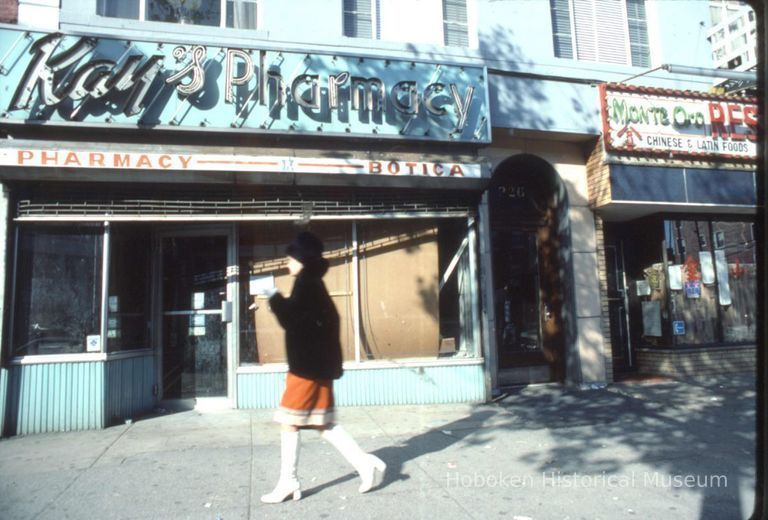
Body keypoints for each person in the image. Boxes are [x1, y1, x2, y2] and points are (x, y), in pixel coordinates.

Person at [260, 231, 386, 504]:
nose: (287, 263)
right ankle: (364, 463)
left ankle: (288, 482)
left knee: (289, 422)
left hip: (306, 369)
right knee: (323, 423)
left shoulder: (306, 284)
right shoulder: (313, 283)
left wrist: (272, 296)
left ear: (301, 259)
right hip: (319, 367)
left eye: (290, 258)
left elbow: (292, 321)